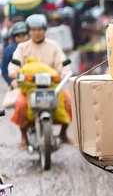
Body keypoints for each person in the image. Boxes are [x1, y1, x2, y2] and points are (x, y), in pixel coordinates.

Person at [8, 14, 73, 148]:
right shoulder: (22, 47)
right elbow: (15, 63)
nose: (37, 33)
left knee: (69, 101)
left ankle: (63, 133)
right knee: (20, 104)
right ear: (28, 31)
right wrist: (13, 71)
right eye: (33, 30)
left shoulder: (53, 46)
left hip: (52, 86)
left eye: (40, 30)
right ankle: (24, 137)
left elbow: (62, 63)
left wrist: (65, 72)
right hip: (29, 88)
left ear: (44, 30)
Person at [1, 21, 28, 86]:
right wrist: (11, 82)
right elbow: (4, 68)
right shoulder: (9, 51)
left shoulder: (32, 47)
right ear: (14, 37)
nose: (21, 38)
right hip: (15, 83)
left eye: (23, 35)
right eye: (18, 36)